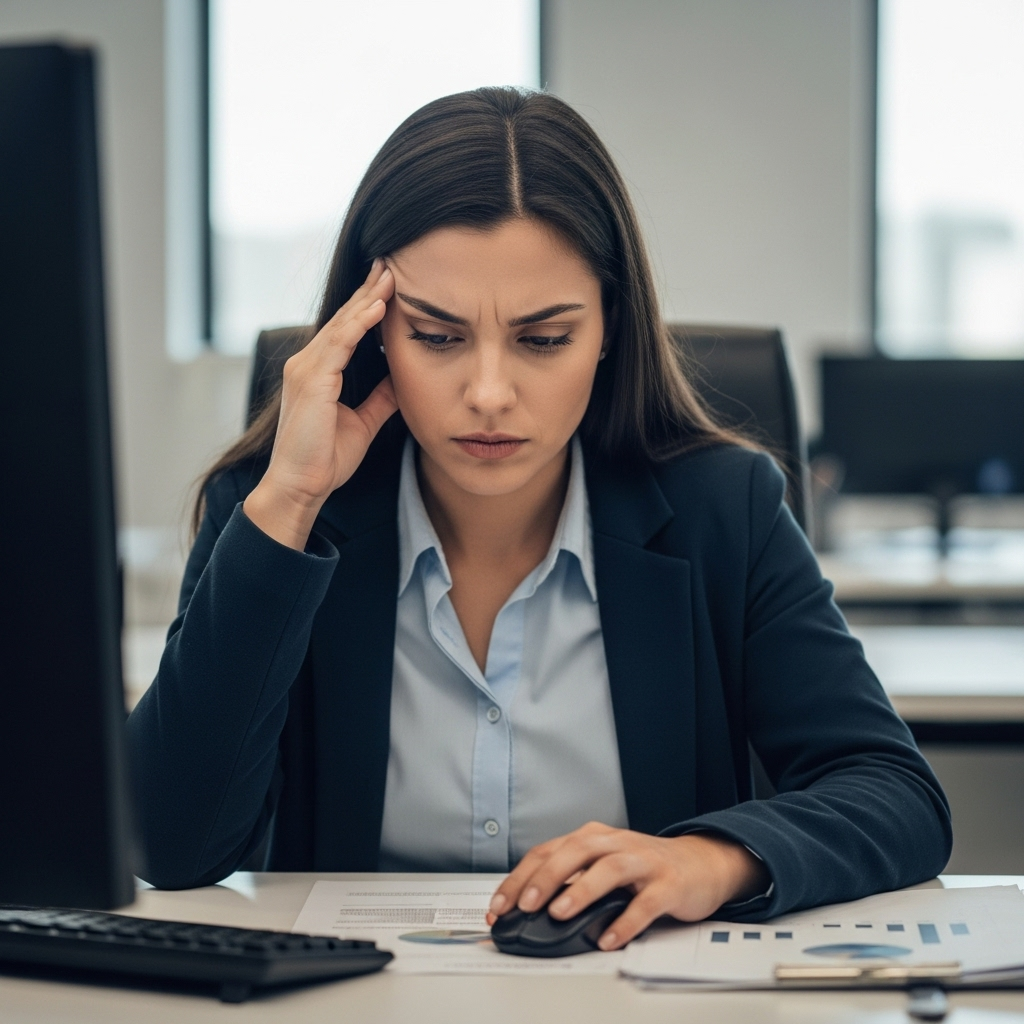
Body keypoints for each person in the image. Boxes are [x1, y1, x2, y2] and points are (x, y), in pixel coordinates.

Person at [127, 87, 951, 952]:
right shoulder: (277, 512)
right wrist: (287, 506)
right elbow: (172, 844)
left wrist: (708, 861)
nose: (488, 394)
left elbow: (895, 794)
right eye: (437, 337)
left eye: (544, 339)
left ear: (608, 330)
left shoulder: (724, 510)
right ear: (372, 336)